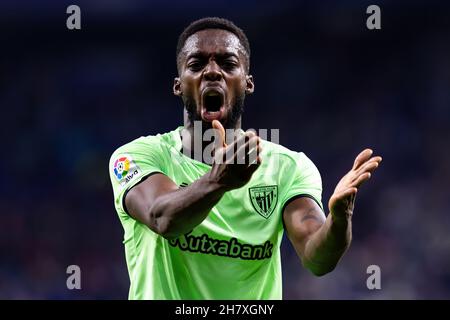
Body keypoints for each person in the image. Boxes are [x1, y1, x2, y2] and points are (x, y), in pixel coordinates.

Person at [109, 17, 382, 300]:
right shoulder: (136, 157)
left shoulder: (288, 168)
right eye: (197, 64)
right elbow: (162, 218)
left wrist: (338, 222)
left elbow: (317, 259)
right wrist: (218, 181)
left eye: (227, 64)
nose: (212, 72)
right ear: (178, 85)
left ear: (248, 83)